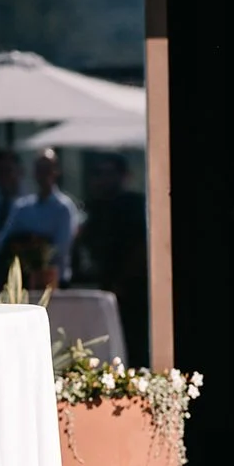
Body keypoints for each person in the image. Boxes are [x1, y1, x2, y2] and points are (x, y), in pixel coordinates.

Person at [74, 151, 149, 366]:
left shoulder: (133, 205)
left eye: (108, 173)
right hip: (104, 288)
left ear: (123, 176)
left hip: (132, 290)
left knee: (133, 345)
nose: (102, 180)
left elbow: (142, 246)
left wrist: (122, 280)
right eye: (98, 174)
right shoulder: (94, 208)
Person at [0, 147, 79, 288]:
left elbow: (61, 248)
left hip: (56, 283)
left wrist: (36, 249)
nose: (43, 174)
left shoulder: (64, 208)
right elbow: (2, 242)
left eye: (47, 169)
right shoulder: (22, 207)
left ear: (56, 171)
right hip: (25, 283)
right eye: (40, 169)